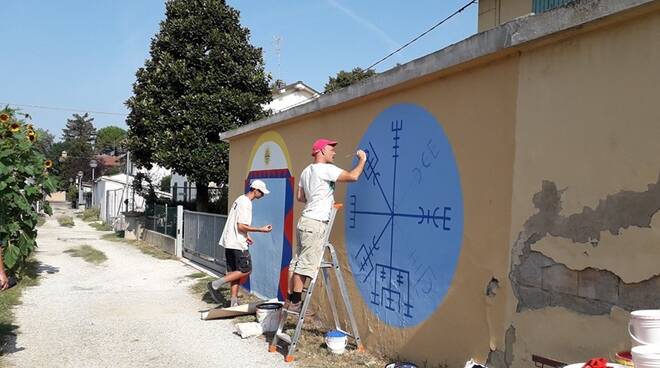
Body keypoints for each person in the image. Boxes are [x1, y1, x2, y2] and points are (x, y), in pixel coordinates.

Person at [287, 138, 367, 311]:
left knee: (297, 261)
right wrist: (362, 159)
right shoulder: (326, 169)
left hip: (305, 221)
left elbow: (300, 197)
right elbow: (353, 176)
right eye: (331, 149)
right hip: (315, 223)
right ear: (322, 151)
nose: (334, 153)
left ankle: (290, 297)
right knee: (306, 264)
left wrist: (320, 198)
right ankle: (295, 303)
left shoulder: (306, 171)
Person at [207, 179, 273, 307]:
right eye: (262, 192)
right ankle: (215, 284)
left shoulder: (240, 199)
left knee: (235, 272)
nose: (263, 195)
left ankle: (234, 301)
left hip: (230, 241)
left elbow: (237, 224)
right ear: (255, 190)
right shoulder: (246, 203)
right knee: (246, 270)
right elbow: (241, 226)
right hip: (238, 244)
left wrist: (247, 235)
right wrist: (261, 229)